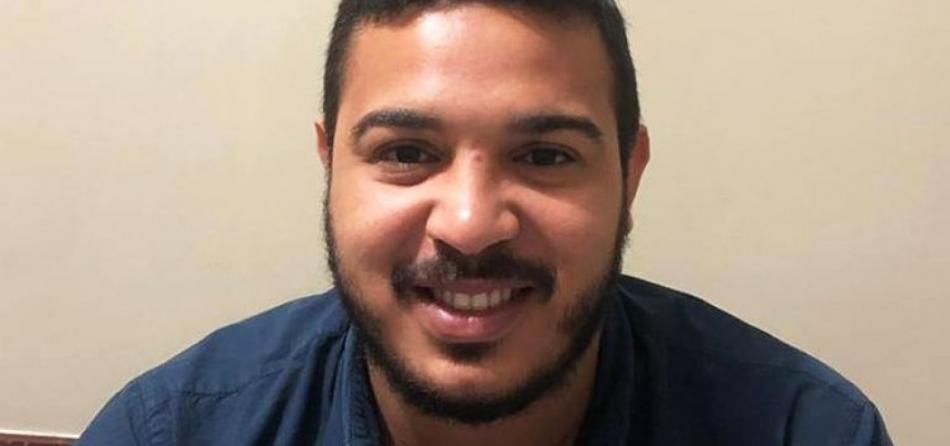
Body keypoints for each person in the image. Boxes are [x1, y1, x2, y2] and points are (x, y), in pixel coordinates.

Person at [77, 0, 892, 444]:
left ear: (630, 175)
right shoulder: (172, 433)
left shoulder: (807, 431)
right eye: (406, 153)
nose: (470, 226)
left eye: (545, 156)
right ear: (330, 167)